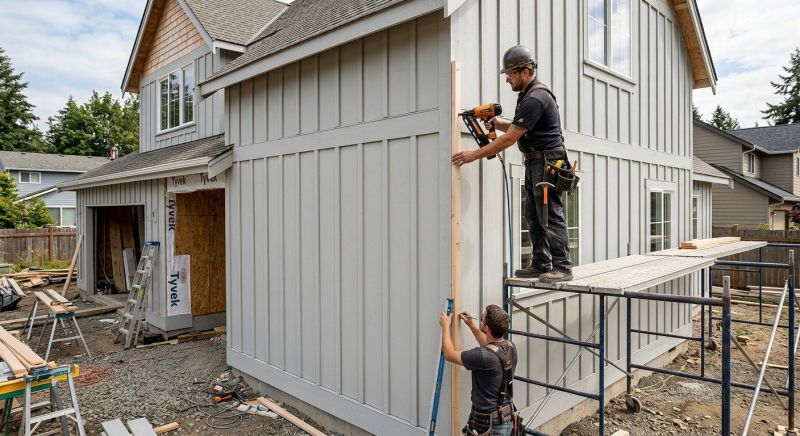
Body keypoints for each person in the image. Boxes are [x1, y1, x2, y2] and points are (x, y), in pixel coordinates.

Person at [452, 45, 572, 283]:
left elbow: (510, 138)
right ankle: (540, 263)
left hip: (547, 161)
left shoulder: (536, 97)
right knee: (533, 213)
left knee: (550, 213)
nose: (507, 79)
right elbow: (520, 127)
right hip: (536, 161)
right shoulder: (527, 96)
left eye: (510, 74)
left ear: (524, 71)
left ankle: (563, 267)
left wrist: (472, 155)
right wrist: (497, 123)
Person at [439, 305, 517, 435]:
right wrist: (471, 324)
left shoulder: (482, 355)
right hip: (506, 418)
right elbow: (491, 346)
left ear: (486, 328)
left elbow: (449, 354)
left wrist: (445, 326)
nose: (480, 318)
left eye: (482, 318)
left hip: (490, 425)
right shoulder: (510, 347)